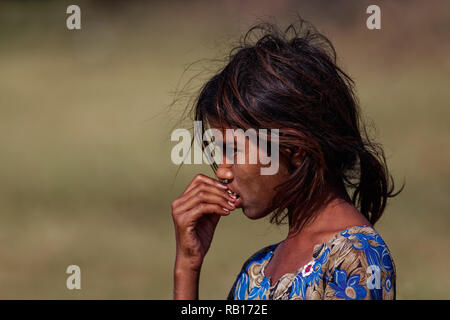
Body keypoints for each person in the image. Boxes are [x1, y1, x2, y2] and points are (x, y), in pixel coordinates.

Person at [171, 18, 404, 300]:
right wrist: (187, 265)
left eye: (233, 151)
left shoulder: (356, 260)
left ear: (295, 149)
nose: (222, 171)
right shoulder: (258, 270)